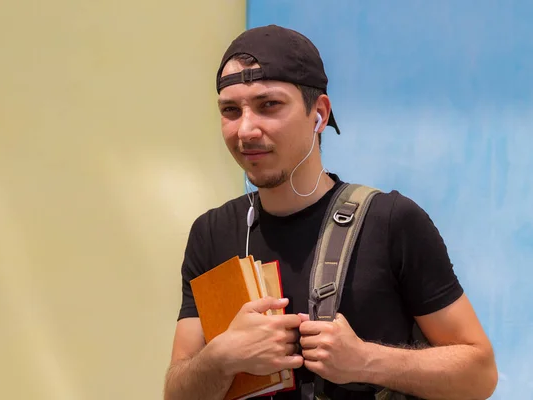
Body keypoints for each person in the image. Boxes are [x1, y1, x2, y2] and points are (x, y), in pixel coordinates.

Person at [163, 24, 498, 400]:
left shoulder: (390, 222)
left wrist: (366, 360)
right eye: (230, 110)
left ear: (319, 113)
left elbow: (480, 373)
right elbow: (177, 392)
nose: (246, 129)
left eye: (268, 105)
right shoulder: (211, 233)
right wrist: (221, 357)